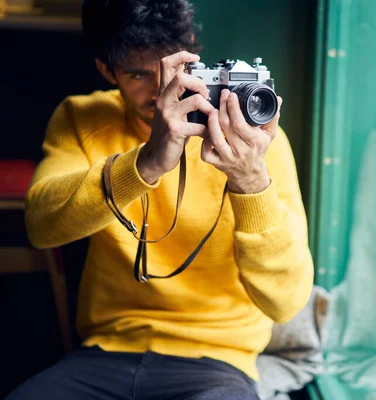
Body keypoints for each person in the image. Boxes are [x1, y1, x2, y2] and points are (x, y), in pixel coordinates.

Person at [8, 0, 313, 399]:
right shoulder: (82, 118)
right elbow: (42, 227)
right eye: (137, 73)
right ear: (105, 68)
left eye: (171, 67)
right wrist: (147, 163)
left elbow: (287, 303)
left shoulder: (255, 141)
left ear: (190, 47)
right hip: (106, 351)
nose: (160, 89)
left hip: (218, 361)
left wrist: (250, 180)